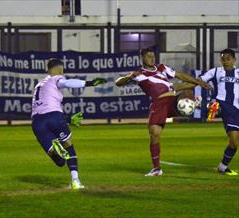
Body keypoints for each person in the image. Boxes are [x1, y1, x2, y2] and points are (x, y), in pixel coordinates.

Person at [115, 48, 212, 176]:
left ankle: (194, 104)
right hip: (159, 103)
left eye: (153, 56)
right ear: (142, 58)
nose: (152, 58)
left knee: (187, 91)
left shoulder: (161, 67)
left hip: (172, 97)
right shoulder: (139, 74)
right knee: (154, 134)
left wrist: (198, 81)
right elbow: (118, 83)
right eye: (148, 56)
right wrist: (128, 76)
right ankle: (157, 169)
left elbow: (180, 75)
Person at [31, 58, 106, 189]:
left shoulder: (39, 85)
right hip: (54, 116)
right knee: (68, 146)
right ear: (60, 69)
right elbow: (68, 83)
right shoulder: (56, 79)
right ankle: (75, 180)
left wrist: (67, 119)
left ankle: (56, 147)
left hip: (37, 122)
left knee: (59, 161)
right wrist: (90, 83)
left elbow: (44, 109)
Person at [179, 48, 238, 176]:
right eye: (223, 59)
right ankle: (223, 167)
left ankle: (222, 167)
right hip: (226, 107)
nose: (226, 61)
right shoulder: (216, 71)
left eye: (228, 59)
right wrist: (177, 89)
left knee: (234, 144)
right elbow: (197, 81)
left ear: (234, 59)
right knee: (234, 141)